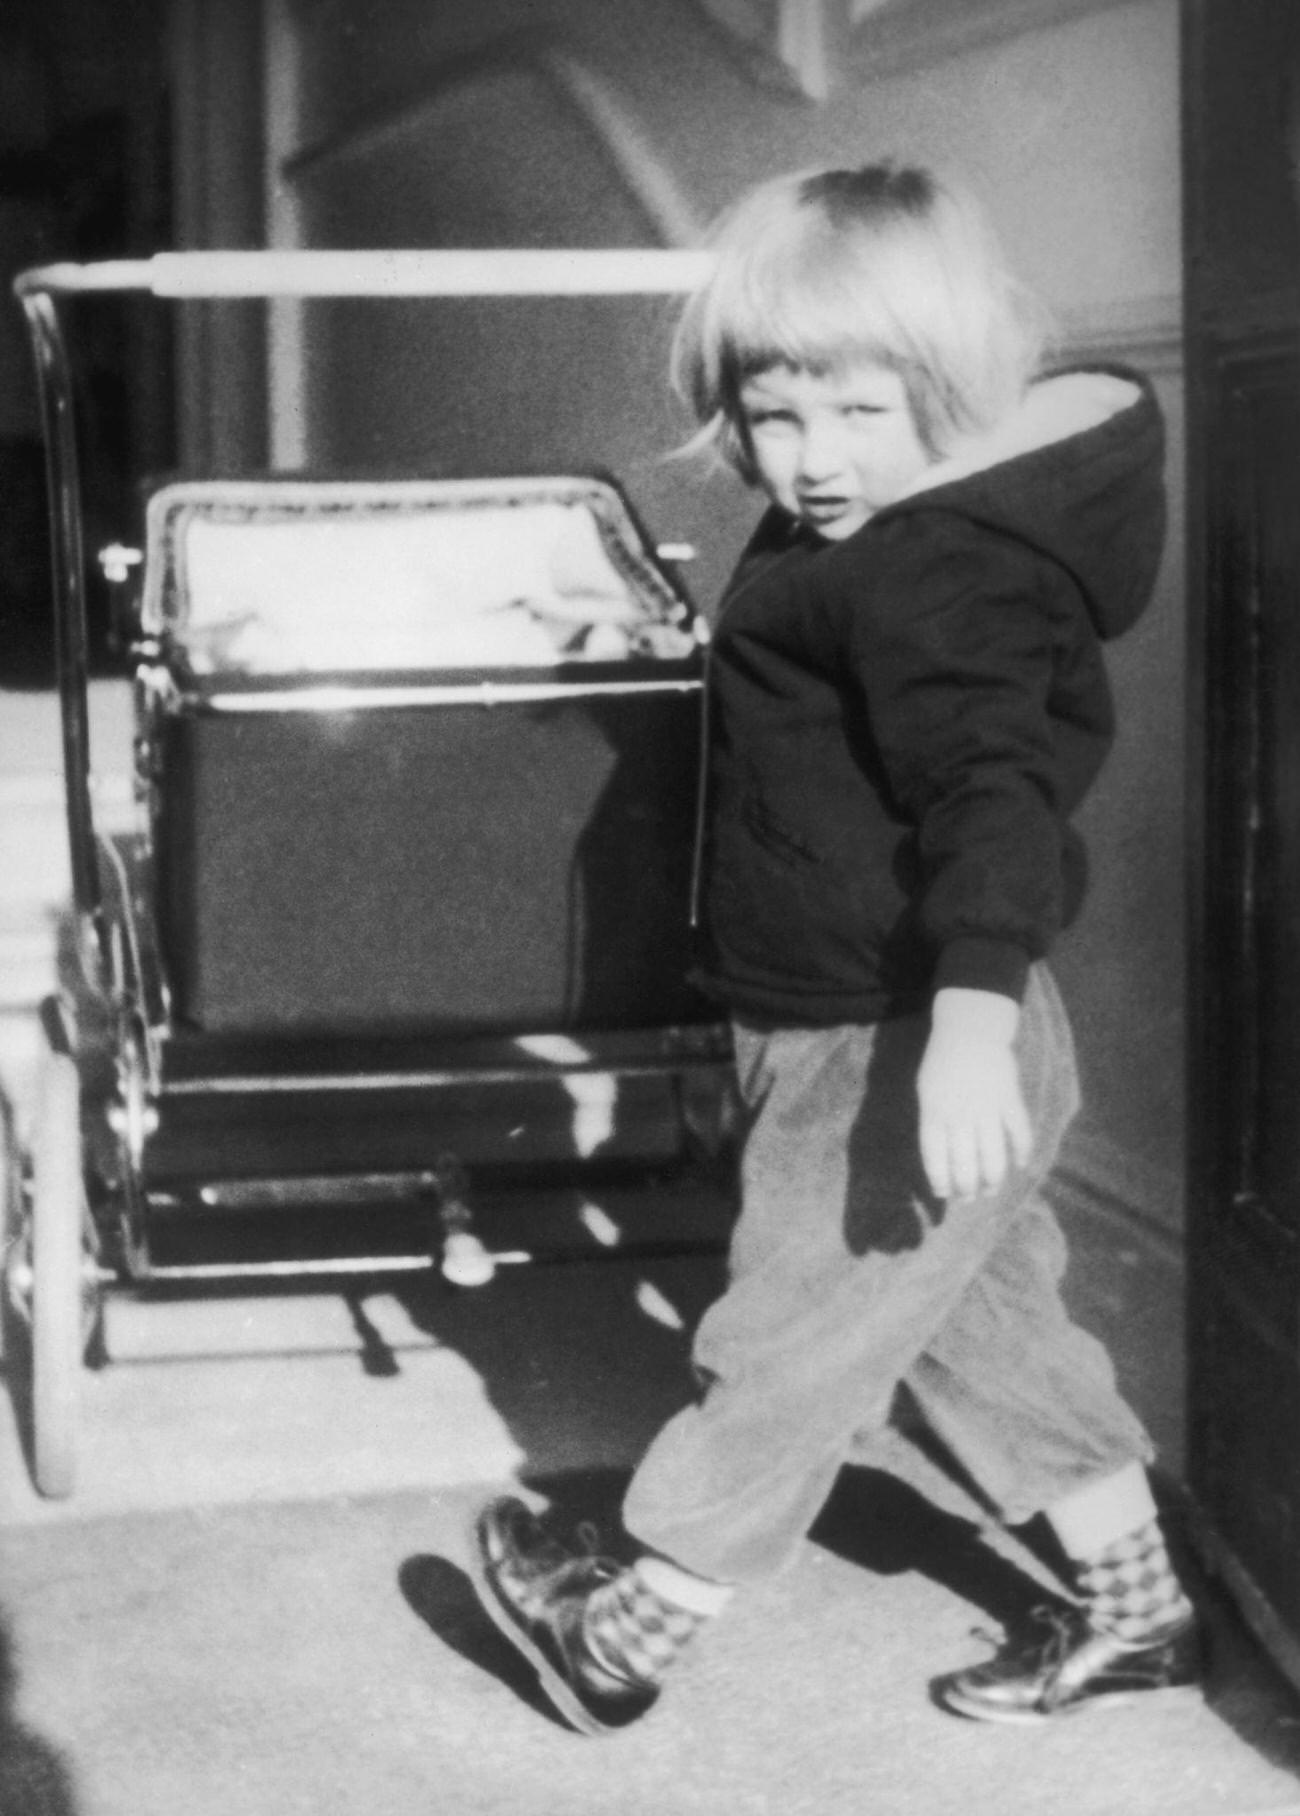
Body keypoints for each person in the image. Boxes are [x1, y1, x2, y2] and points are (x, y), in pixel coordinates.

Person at [468, 160, 1200, 1736]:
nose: (808, 463)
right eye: (774, 416)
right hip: (863, 1014)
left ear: (955, 382)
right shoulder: (865, 521)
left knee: (792, 1340)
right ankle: (1141, 1613)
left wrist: (973, 1022)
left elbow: (993, 795)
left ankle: (633, 1628)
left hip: (902, 1035)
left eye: (861, 416)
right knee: (990, 1337)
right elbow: (810, 702)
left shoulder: (944, 565)